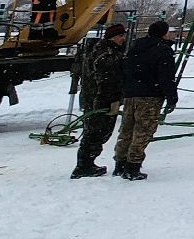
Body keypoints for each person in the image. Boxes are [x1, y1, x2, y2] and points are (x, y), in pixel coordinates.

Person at [115, 18, 177, 180]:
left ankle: (120, 163)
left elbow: (125, 70)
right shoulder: (163, 51)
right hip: (150, 96)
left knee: (127, 130)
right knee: (143, 131)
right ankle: (132, 167)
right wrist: (172, 97)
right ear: (163, 34)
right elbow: (166, 77)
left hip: (131, 94)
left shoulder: (135, 48)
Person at [71, 22, 127, 179]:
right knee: (96, 132)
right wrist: (107, 103)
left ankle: (86, 163)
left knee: (96, 132)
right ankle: (84, 165)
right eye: (121, 36)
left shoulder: (101, 51)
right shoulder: (106, 55)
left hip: (95, 99)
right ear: (113, 37)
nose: (123, 39)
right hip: (101, 100)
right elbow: (107, 82)